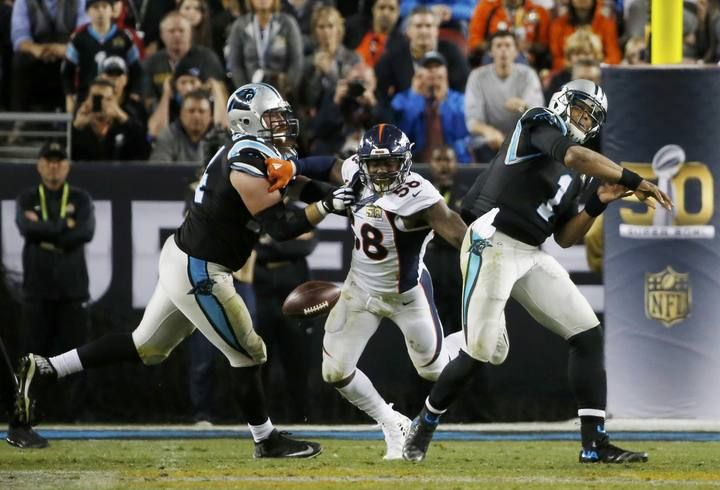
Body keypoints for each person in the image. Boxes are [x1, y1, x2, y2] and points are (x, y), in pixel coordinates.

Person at [14, 82, 358, 457]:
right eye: (273, 117)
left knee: (147, 346)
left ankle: (46, 368)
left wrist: (347, 180)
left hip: (187, 257)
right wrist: (328, 206)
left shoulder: (257, 152)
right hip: (201, 269)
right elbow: (281, 228)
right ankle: (265, 439)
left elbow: (302, 177)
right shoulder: (245, 163)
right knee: (249, 352)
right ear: (249, 120)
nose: (283, 124)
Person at [401, 79, 673, 464]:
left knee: (587, 334)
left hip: (530, 250)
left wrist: (598, 202)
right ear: (562, 103)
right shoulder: (539, 121)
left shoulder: (579, 173)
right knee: (482, 350)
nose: (583, 119)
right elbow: (573, 155)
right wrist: (630, 178)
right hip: (491, 240)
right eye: (579, 109)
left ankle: (594, 443)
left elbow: (563, 237)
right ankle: (424, 422)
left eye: (591, 117)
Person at [264, 123, 468, 459]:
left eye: (390, 163)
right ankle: (392, 423)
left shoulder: (421, 194)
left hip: (407, 295)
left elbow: (459, 234)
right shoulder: (357, 175)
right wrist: (294, 168)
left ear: (404, 161)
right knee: (334, 371)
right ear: (363, 163)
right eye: (375, 164)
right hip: (361, 290)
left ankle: (468, 342)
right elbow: (328, 164)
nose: (383, 170)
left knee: (433, 370)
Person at [464, 30, 544, 162]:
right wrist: (489, 132)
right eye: (498, 46)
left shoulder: (528, 75)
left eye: (507, 45)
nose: (503, 50)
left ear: (516, 51)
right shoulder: (477, 77)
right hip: (489, 141)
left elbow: (538, 113)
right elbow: (472, 121)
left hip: (522, 137)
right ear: (490, 52)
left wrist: (523, 106)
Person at [62, 0, 142, 113]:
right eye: (95, 7)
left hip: (118, 100)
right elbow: (67, 71)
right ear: (87, 12)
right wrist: (69, 97)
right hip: (86, 99)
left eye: (105, 7)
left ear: (111, 10)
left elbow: (136, 69)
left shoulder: (124, 37)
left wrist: (135, 93)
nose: (101, 12)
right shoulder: (79, 39)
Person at [391, 50, 470, 163]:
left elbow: (460, 133)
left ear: (446, 72)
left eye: (438, 66)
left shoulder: (460, 100)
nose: (433, 70)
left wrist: (444, 101)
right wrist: (415, 97)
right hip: (415, 165)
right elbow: (403, 135)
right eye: (428, 67)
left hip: (456, 163)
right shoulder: (401, 99)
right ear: (418, 73)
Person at [10, 0, 89, 111]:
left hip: (68, 51)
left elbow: (84, 32)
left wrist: (66, 50)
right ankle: (19, 117)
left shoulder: (79, 1)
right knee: (20, 58)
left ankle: (77, 113)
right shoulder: (23, 2)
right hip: (38, 52)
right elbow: (19, 36)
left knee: (84, 55)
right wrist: (36, 49)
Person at [225, 0, 304, 98]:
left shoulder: (288, 23)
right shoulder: (240, 26)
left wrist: (287, 87)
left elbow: (296, 61)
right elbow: (235, 64)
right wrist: (246, 92)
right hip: (250, 93)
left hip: (282, 93)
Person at [71, 78, 150, 161]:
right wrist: (76, 127)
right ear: (87, 101)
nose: (101, 104)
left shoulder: (125, 125)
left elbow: (145, 153)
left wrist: (123, 118)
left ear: (115, 101)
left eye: (107, 99)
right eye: (96, 99)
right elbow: (63, 158)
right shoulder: (80, 127)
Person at [150, 89, 217, 163]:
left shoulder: (219, 137)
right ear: (181, 114)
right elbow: (159, 169)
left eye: (201, 111)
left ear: (211, 116)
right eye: (191, 111)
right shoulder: (168, 135)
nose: (196, 116)